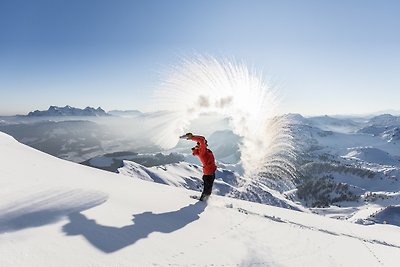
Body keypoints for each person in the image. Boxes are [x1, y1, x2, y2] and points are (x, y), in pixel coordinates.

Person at [181, 133, 217, 201]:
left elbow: (202, 139)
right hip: (209, 173)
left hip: (210, 172)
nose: (205, 144)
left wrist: (194, 141)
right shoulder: (202, 151)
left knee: (207, 190)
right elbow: (202, 139)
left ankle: (204, 200)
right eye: (204, 143)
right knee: (207, 191)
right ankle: (203, 202)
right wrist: (192, 137)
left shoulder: (203, 151)